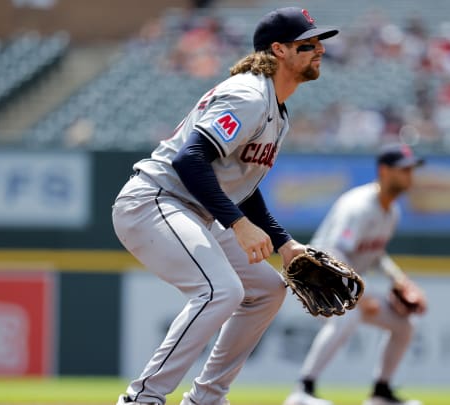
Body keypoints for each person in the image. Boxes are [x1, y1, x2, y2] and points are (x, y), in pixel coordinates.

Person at [111, 7, 338, 405]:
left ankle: (206, 398)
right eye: (309, 42)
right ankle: (142, 398)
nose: (319, 48)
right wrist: (237, 224)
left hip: (189, 207)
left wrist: (283, 243)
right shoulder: (249, 95)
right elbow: (189, 159)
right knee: (220, 290)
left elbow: (242, 187)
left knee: (267, 290)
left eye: (319, 42)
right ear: (279, 50)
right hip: (154, 200)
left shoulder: (275, 110)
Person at [284, 144, 428, 405]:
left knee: (404, 325)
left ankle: (381, 393)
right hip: (318, 280)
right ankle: (302, 391)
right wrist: (359, 296)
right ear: (384, 171)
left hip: (349, 286)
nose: (410, 175)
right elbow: (333, 252)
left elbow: (375, 253)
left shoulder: (391, 212)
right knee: (348, 317)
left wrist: (399, 279)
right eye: (403, 169)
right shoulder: (358, 206)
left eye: (411, 169)